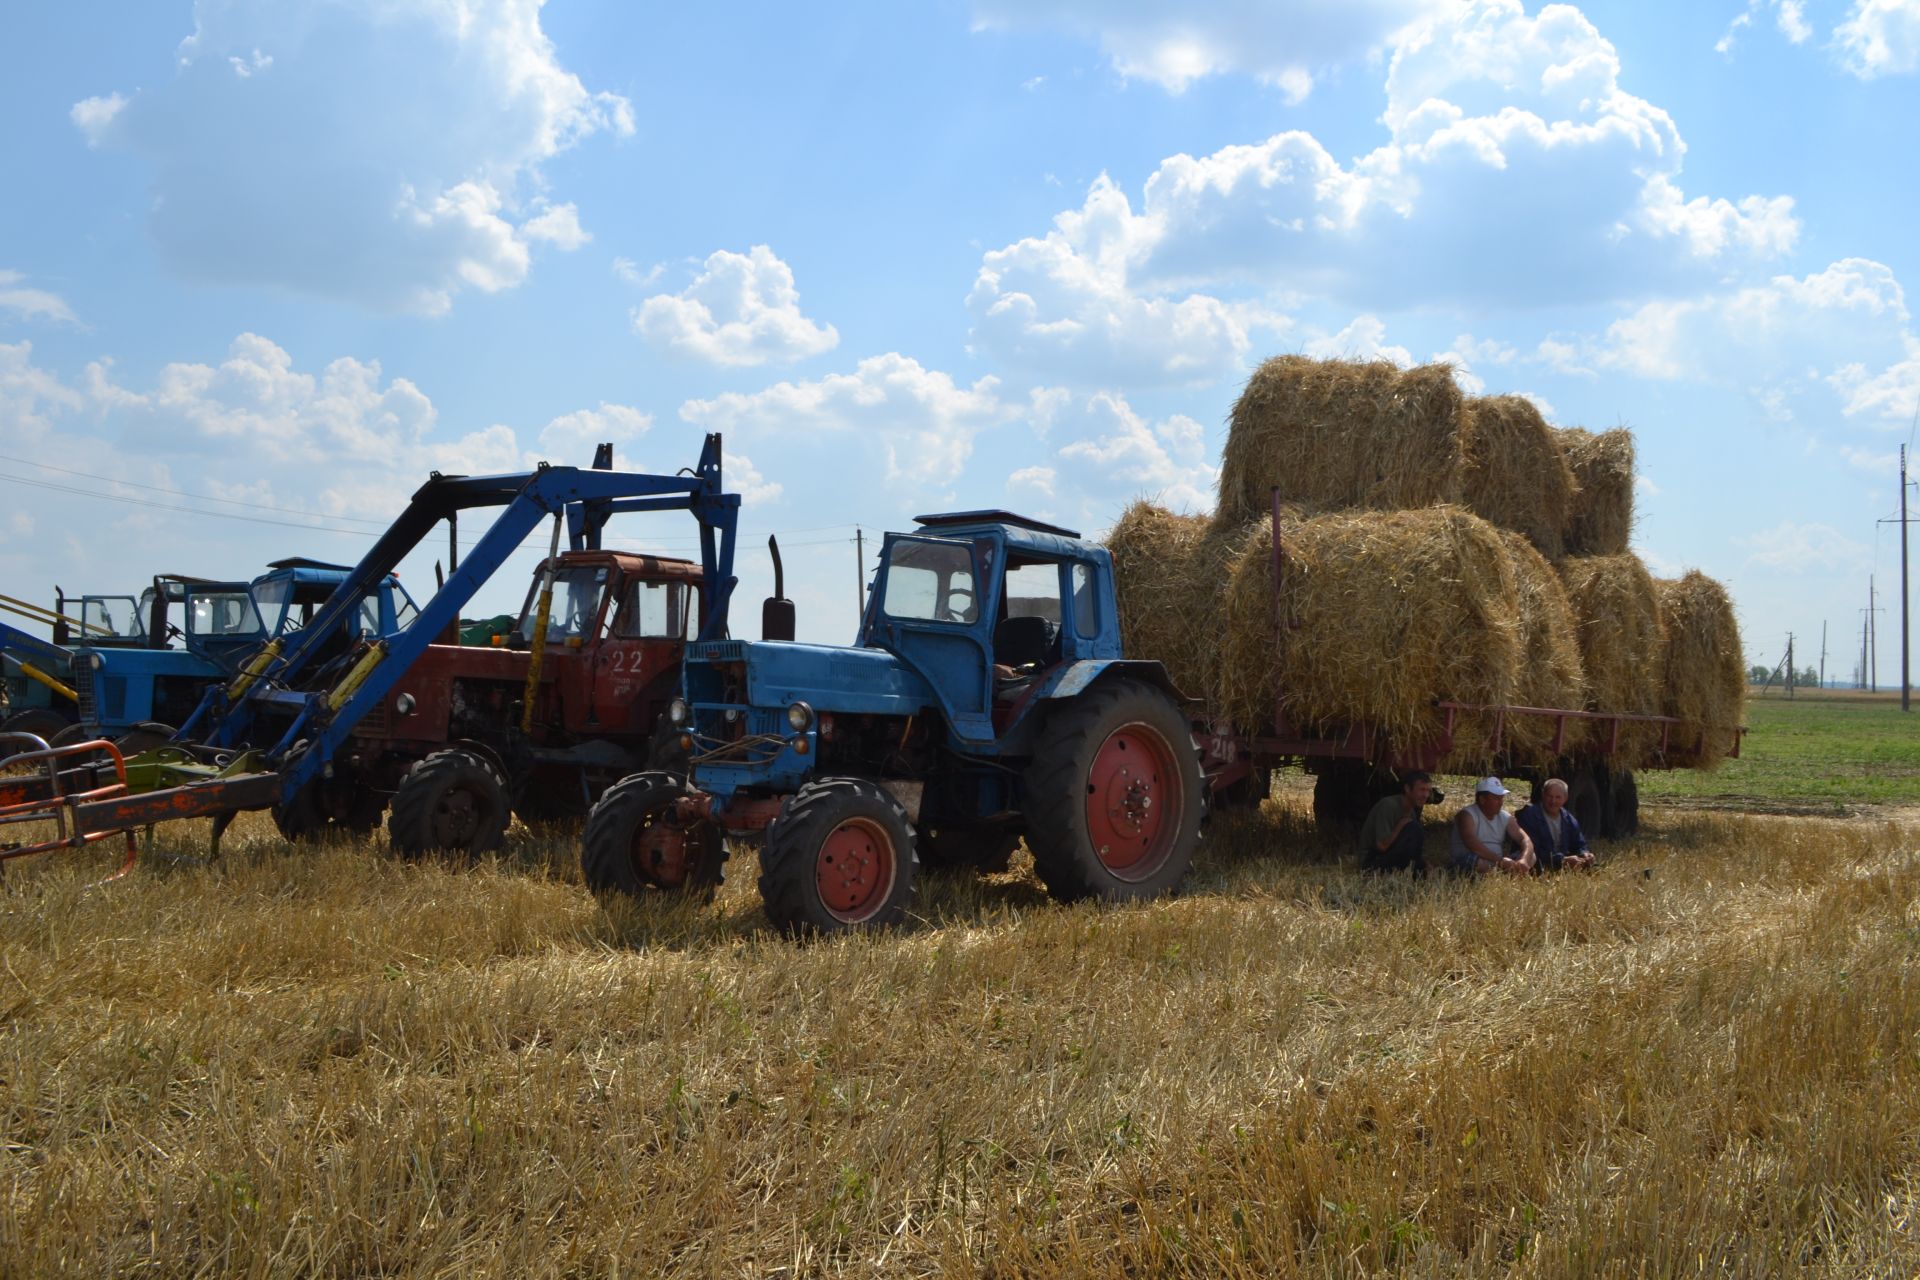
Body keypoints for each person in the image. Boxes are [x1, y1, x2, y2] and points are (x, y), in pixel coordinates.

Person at [1449, 777, 1534, 876]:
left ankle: (1501, 872)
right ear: (1482, 799)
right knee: (1478, 863)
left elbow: (1525, 839)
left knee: (1532, 856)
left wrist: (1524, 859)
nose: (1501, 802)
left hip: (1496, 862)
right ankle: (1502, 873)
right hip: (1477, 859)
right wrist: (1500, 861)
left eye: (1501, 798)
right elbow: (1471, 843)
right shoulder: (1467, 815)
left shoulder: (1505, 817)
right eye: (1496, 798)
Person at [1357, 771, 1435, 876]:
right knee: (1413, 828)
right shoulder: (1388, 806)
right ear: (1407, 789)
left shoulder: (1411, 812)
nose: (1426, 795)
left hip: (1390, 857)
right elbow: (1382, 846)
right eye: (1422, 790)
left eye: (1428, 791)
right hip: (1372, 862)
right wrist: (1401, 825)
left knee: (1424, 868)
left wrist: (1424, 864)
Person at [1514, 778, 1595, 872]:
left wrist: (1584, 853)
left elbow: (1579, 843)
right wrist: (1562, 860)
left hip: (1559, 865)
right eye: (1550, 796)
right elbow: (1533, 849)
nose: (1553, 801)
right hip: (1537, 866)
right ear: (1543, 795)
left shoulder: (1569, 819)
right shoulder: (1530, 816)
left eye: (1558, 797)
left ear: (1565, 798)